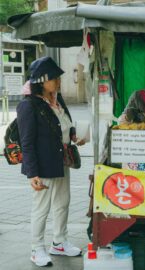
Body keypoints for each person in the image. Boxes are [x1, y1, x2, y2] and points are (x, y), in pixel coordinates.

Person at [17, 56, 86, 267]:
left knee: (62, 203)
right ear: (41, 80)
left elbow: (63, 122)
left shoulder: (57, 98)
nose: (58, 82)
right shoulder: (29, 105)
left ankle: (60, 241)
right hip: (43, 165)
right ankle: (37, 248)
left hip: (61, 160)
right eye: (54, 78)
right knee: (42, 208)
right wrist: (32, 173)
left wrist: (74, 134)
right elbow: (26, 142)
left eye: (58, 78)